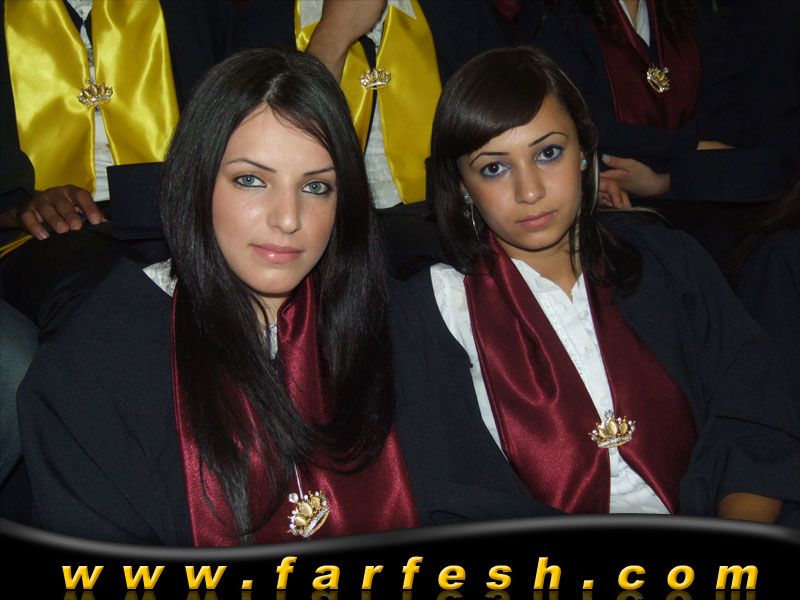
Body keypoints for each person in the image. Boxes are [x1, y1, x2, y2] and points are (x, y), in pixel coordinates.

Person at [17, 48, 418, 545]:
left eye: (316, 187)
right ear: (197, 182)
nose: (288, 218)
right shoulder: (92, 368)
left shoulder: (398, 325)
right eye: (251, 180)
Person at [391, 46, 800, 526]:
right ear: (461, 184)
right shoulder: (432, 311)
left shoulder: (670, 262)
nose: (530, 191)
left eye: (548, 153)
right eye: (494, 168)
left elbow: (751, 416)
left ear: (585, 153)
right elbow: (455, 491)